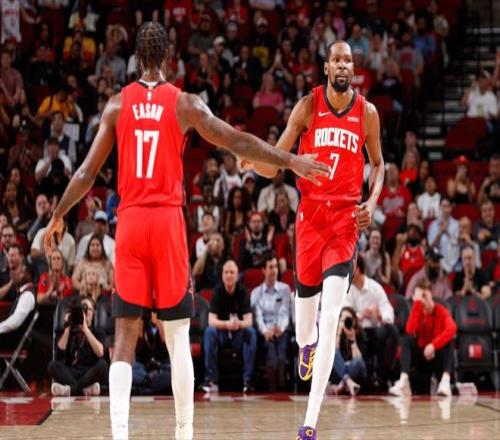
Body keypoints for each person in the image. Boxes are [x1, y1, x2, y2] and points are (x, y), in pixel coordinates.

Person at [43, 21, 328, 440]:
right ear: (167, 57)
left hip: (131, 222)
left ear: (136, 58)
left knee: (124, 336)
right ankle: (183, 433)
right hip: (166, 222)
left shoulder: (116, 106)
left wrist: (58, 214)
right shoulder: (185, 103)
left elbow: (86, 173)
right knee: (177, 336)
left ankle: (120, 435)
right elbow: (237, 140)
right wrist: (290, 161)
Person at [242, 41, 384, 439]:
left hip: (344, 222)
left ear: (353, 68)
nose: (343, 65)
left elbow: (379, 164)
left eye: (348, 60)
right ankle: (307, 345)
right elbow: (276, 161)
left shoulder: (367, 113)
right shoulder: (308, 106)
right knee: (306, 329)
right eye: (336, 59)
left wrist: (372, 202)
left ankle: (310, 421)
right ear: (326, 67)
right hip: (309, 221)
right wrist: (254, 162)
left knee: (331, 314)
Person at [389, 279, 456, 397]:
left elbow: (452, 328)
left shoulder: (441, 310)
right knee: (406, 340)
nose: (423, 300)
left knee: (449, 342)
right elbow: (410, 330)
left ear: (431, 294)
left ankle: (445, 382)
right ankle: (403, 380)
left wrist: (433, 345)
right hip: (421, 357)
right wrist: (417, 305)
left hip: (437, 355)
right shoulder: (417, 311)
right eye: (419, 297)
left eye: (425, 296)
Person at [201, 260, 257, 393]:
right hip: (222, 333)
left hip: (238, 333)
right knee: (209, 332)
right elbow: (211, 321)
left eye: (232, 272)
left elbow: (249, 321)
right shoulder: (217, 291)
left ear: (237, 275)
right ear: (222, 275)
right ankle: (211, 380)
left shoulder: (242, 291)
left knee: (251, 332)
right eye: (226, 272)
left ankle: (248, 380)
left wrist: (237, 324)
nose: (229, 275)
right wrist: (227, 324)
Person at [345, 256, 397, 389]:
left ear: (357, 270)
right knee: (358, 335)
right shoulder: (348, 290)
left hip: (375, 330)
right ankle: (362, 377)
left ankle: (383, 376)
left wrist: (380, 315)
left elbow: (388, 310)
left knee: (392, 331)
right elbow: (345, 315)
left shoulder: (375, 287)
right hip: (358, 331)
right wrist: (361, 315)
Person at [48, 296, 108, 397]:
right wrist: (68, 327)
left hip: (90, 372)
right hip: (72, 372)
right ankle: (84, 390)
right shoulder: (69, 330)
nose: (85, 312)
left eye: (88, 309)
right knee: (52, 366)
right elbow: (59, 354)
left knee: (103, 365)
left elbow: (100, 353)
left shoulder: (98, 331)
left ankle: (70, 390)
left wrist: (85, 329)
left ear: (93, 313)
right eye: (83, 309)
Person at [250, 255, 291, 391]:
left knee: (281, 358)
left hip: (281, 331)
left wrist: (280, 328)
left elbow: (285, 312)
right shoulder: (256, 293)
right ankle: (272, 388)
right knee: (272, 358)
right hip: (265, 333)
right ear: (264, 270)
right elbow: (257, 317)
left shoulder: (285, 289)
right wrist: (265, 331)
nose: (274, 270)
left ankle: (282, 385)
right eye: (270, 267)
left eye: (276, 267)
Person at [328, 306, 367, 396]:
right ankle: (348, 382)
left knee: (357, 361)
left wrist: (353, 340)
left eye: (348, 320)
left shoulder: (360, 334)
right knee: (333, 353)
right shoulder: (334, 334)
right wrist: (339, 332)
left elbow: (359, 360)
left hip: (356, 370)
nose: (345, 322)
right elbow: (334, 354)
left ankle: (342, 384)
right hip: (339, 370)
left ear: (354, 321)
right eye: (343, 320)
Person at [0, 262, 36, 351]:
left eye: (22, 272)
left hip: (13, 342)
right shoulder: (24, 293)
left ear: (29, 275)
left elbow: (15, 322)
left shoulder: (27, 295)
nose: (18, 274)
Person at [132, 313, 171, 395]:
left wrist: (159, 324)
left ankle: (142, 389)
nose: (154, 314)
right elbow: (138, 351)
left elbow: (168, 349)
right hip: (144, 365)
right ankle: (154, 387)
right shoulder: (142, 322)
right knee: (132, 370)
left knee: (172, 375)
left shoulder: (168, 323)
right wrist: (141, 322)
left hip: (162, 365)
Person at [427, 197, 459, 273]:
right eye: (444, 206)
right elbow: (431, 247)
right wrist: (439, 235)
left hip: (454, 262)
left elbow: (458, 243)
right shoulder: (433, 225)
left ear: (451, 208)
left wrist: (447, 233)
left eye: (448, 206)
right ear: (440, 208)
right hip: (438, 263)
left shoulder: (457, 224)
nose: (446, 209)